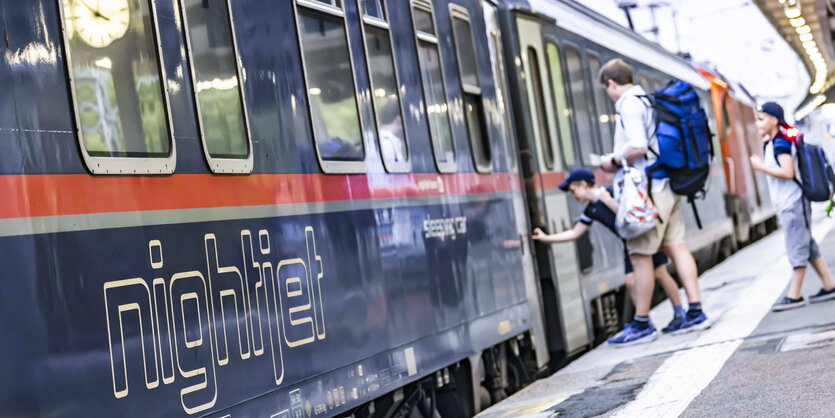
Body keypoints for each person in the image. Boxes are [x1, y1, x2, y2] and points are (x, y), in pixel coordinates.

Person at [597, 58, 709, 346]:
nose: (609, 95)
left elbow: (636, 146)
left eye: (607, 89)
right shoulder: (646, 99)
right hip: (666, 185)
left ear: (611, 83)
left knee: (640, 256)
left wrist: (613, 161)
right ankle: (695, 310)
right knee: (676, 245)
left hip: (647, 189)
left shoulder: (628, 104)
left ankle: (642, 323)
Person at [532, 168, 687, 336]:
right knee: (630, 280)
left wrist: (608, 201)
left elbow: (629, 212)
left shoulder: (611, 193)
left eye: (573, 191)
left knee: (660, 273)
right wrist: (546, 238)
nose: (573, 196)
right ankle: (644, 322)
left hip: (643, 237)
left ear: (583, 185)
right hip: (629, 243)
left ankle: (677, 314)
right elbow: (575, 233)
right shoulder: (591, 209)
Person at [749, 102, 835, 311]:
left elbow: (787, 172)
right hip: (790, 203)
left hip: (792, 202)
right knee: (808, 245)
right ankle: (829, 285)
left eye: (761, 119)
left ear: (773, 120)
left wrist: (761, 167)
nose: (757, 124)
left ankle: (794, 295)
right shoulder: (776, 141)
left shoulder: (780, 143)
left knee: (796, 247)